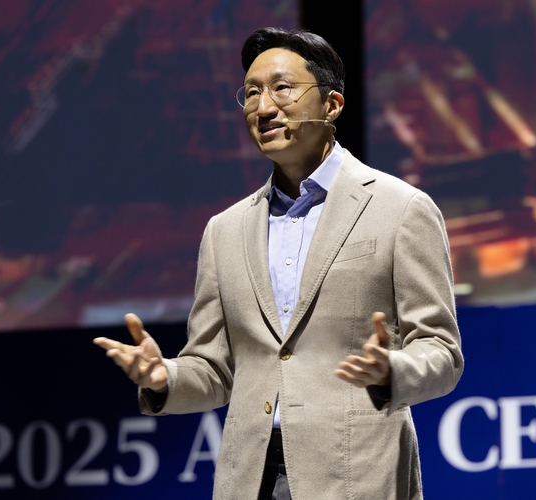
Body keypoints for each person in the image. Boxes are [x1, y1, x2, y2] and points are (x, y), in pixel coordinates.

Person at [94, 27, 463, 500]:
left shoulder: (401, 209)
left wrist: (393, 370)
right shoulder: (224, 231)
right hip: (250, 480)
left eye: (282, 88)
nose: (263, 107)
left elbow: (440, 350)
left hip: (356, 476)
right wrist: (165, 377)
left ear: (332, 105)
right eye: (251, 93)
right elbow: (214, 369)